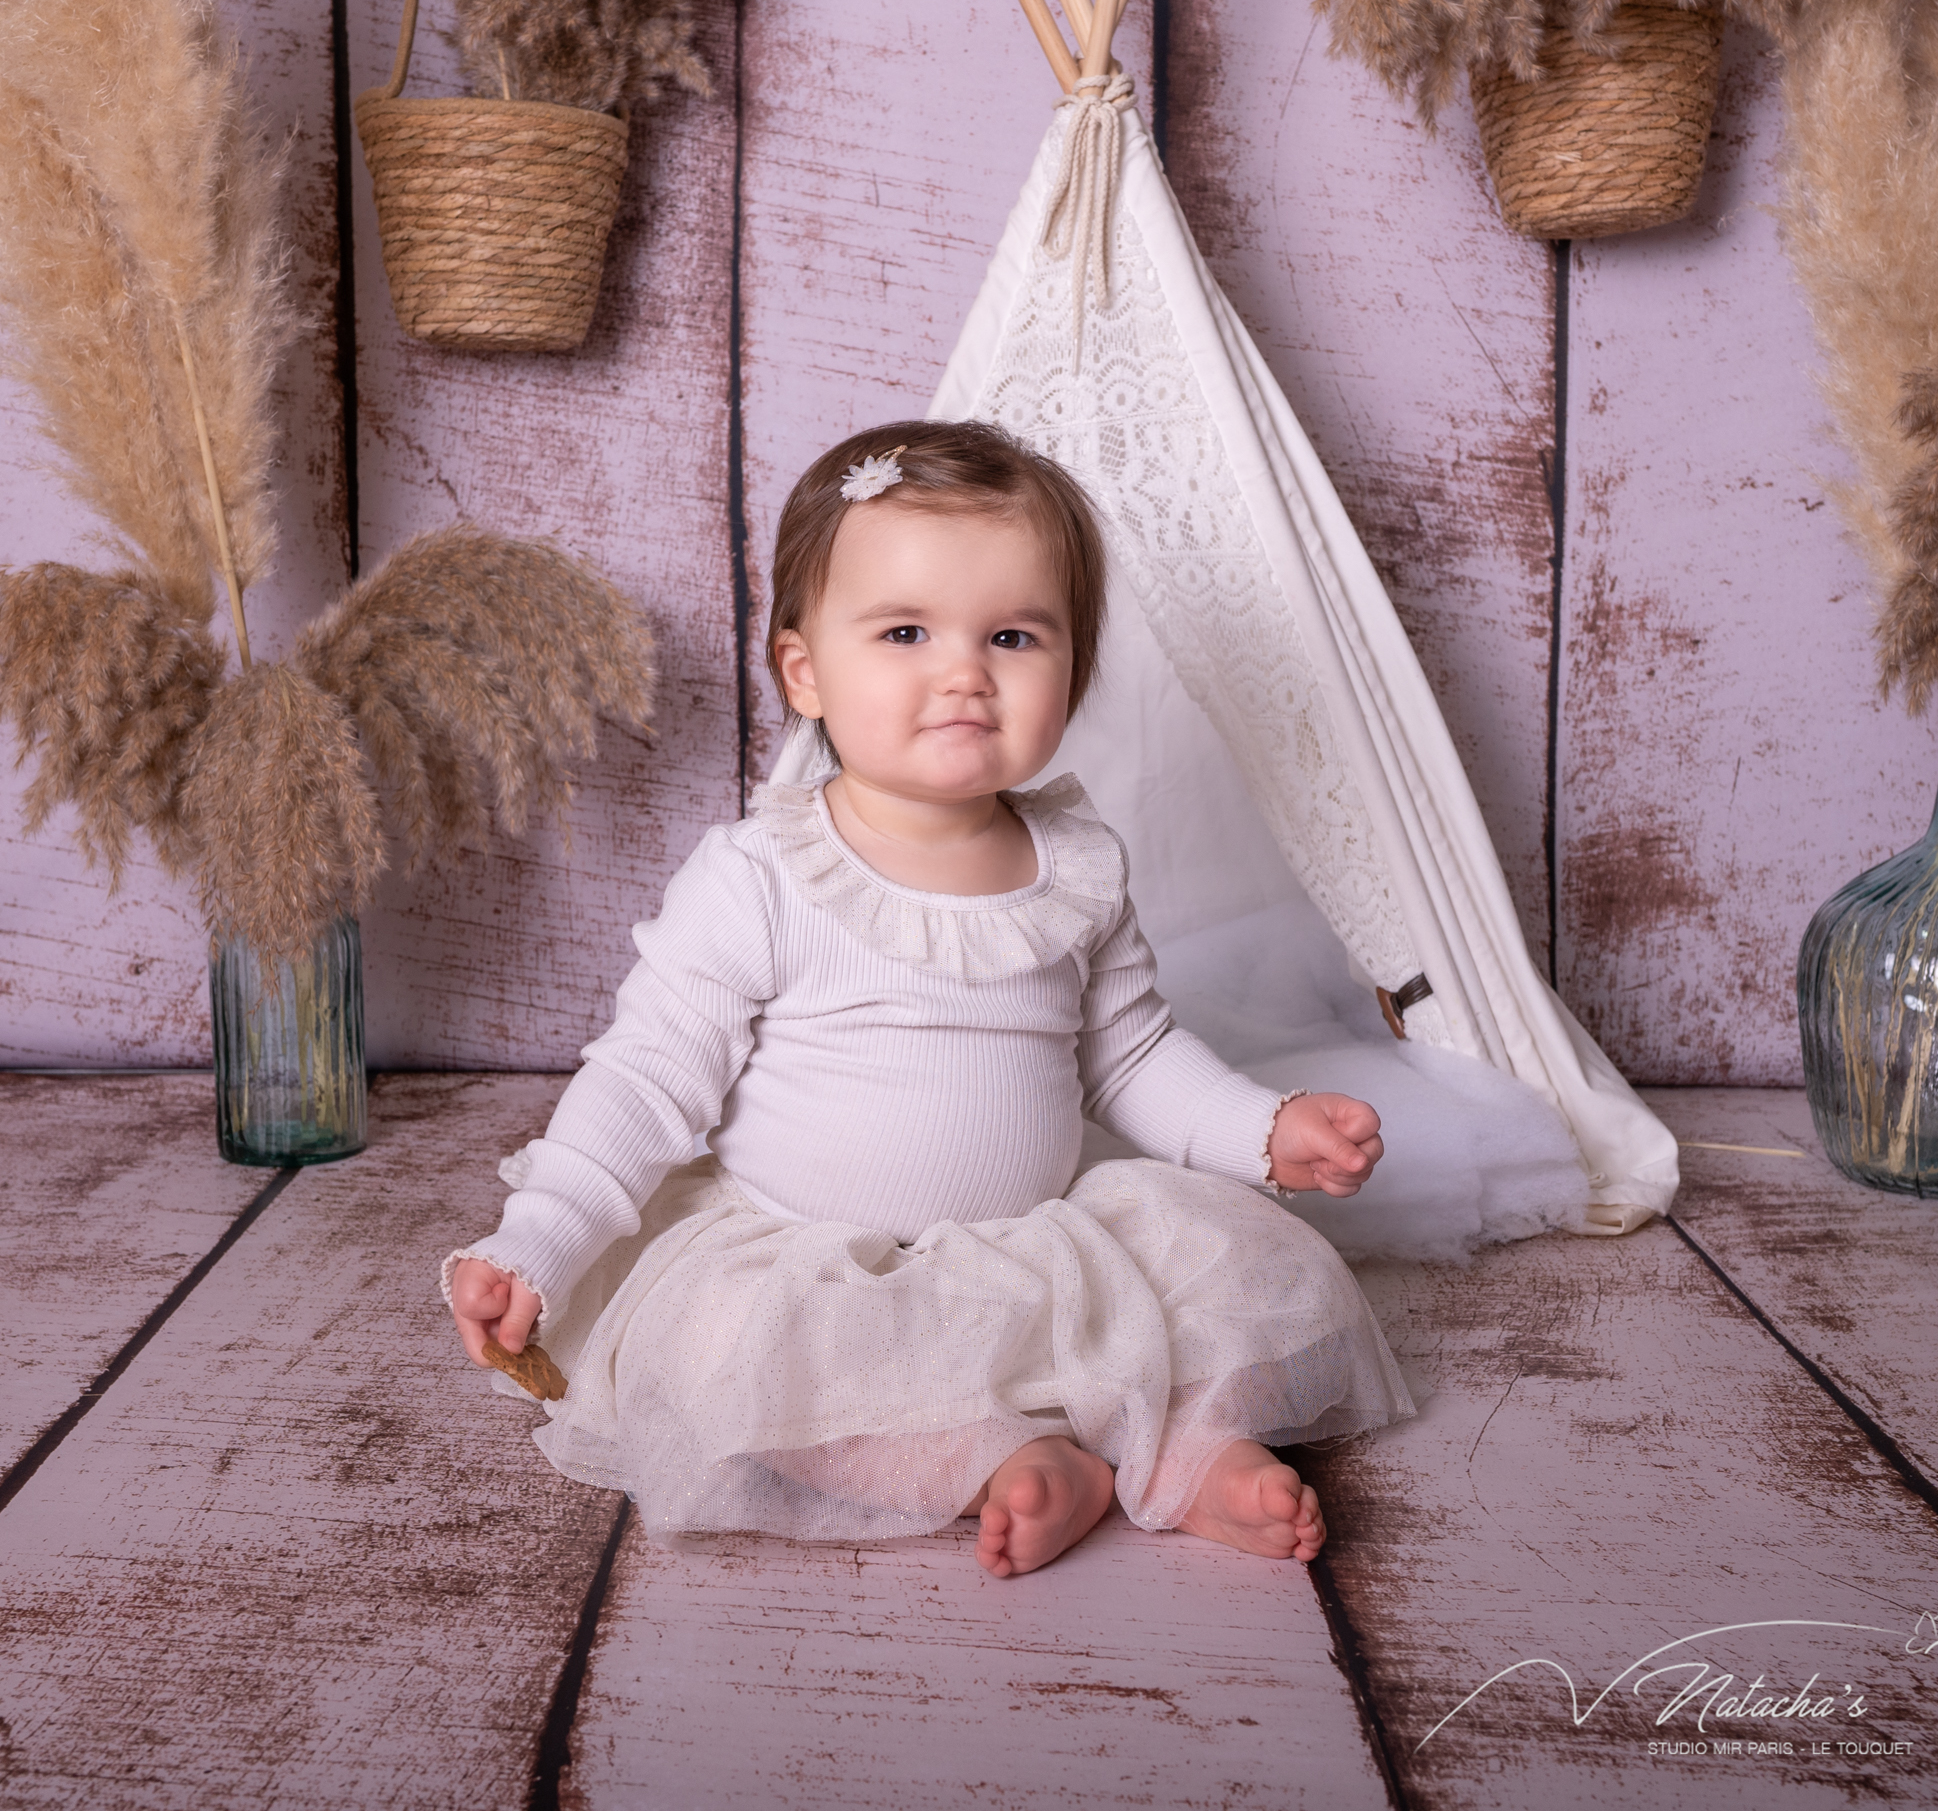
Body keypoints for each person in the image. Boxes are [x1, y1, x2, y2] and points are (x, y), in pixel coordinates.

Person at [445, 420, 1413, 1578]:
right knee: (730, 1362)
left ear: (1072, 669)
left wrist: (1262, 1128)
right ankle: (995, 1458)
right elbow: (647, 1079)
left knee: (1228, 1290)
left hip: (1035, 1245)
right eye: (904, 631)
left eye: (1011, 634)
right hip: (804, 1256)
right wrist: (536, 1241)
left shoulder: (1075, 863)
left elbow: (1132, 1056)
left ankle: (1189, 1457)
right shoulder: (760, 875)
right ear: (804, 670)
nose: (963, 670)